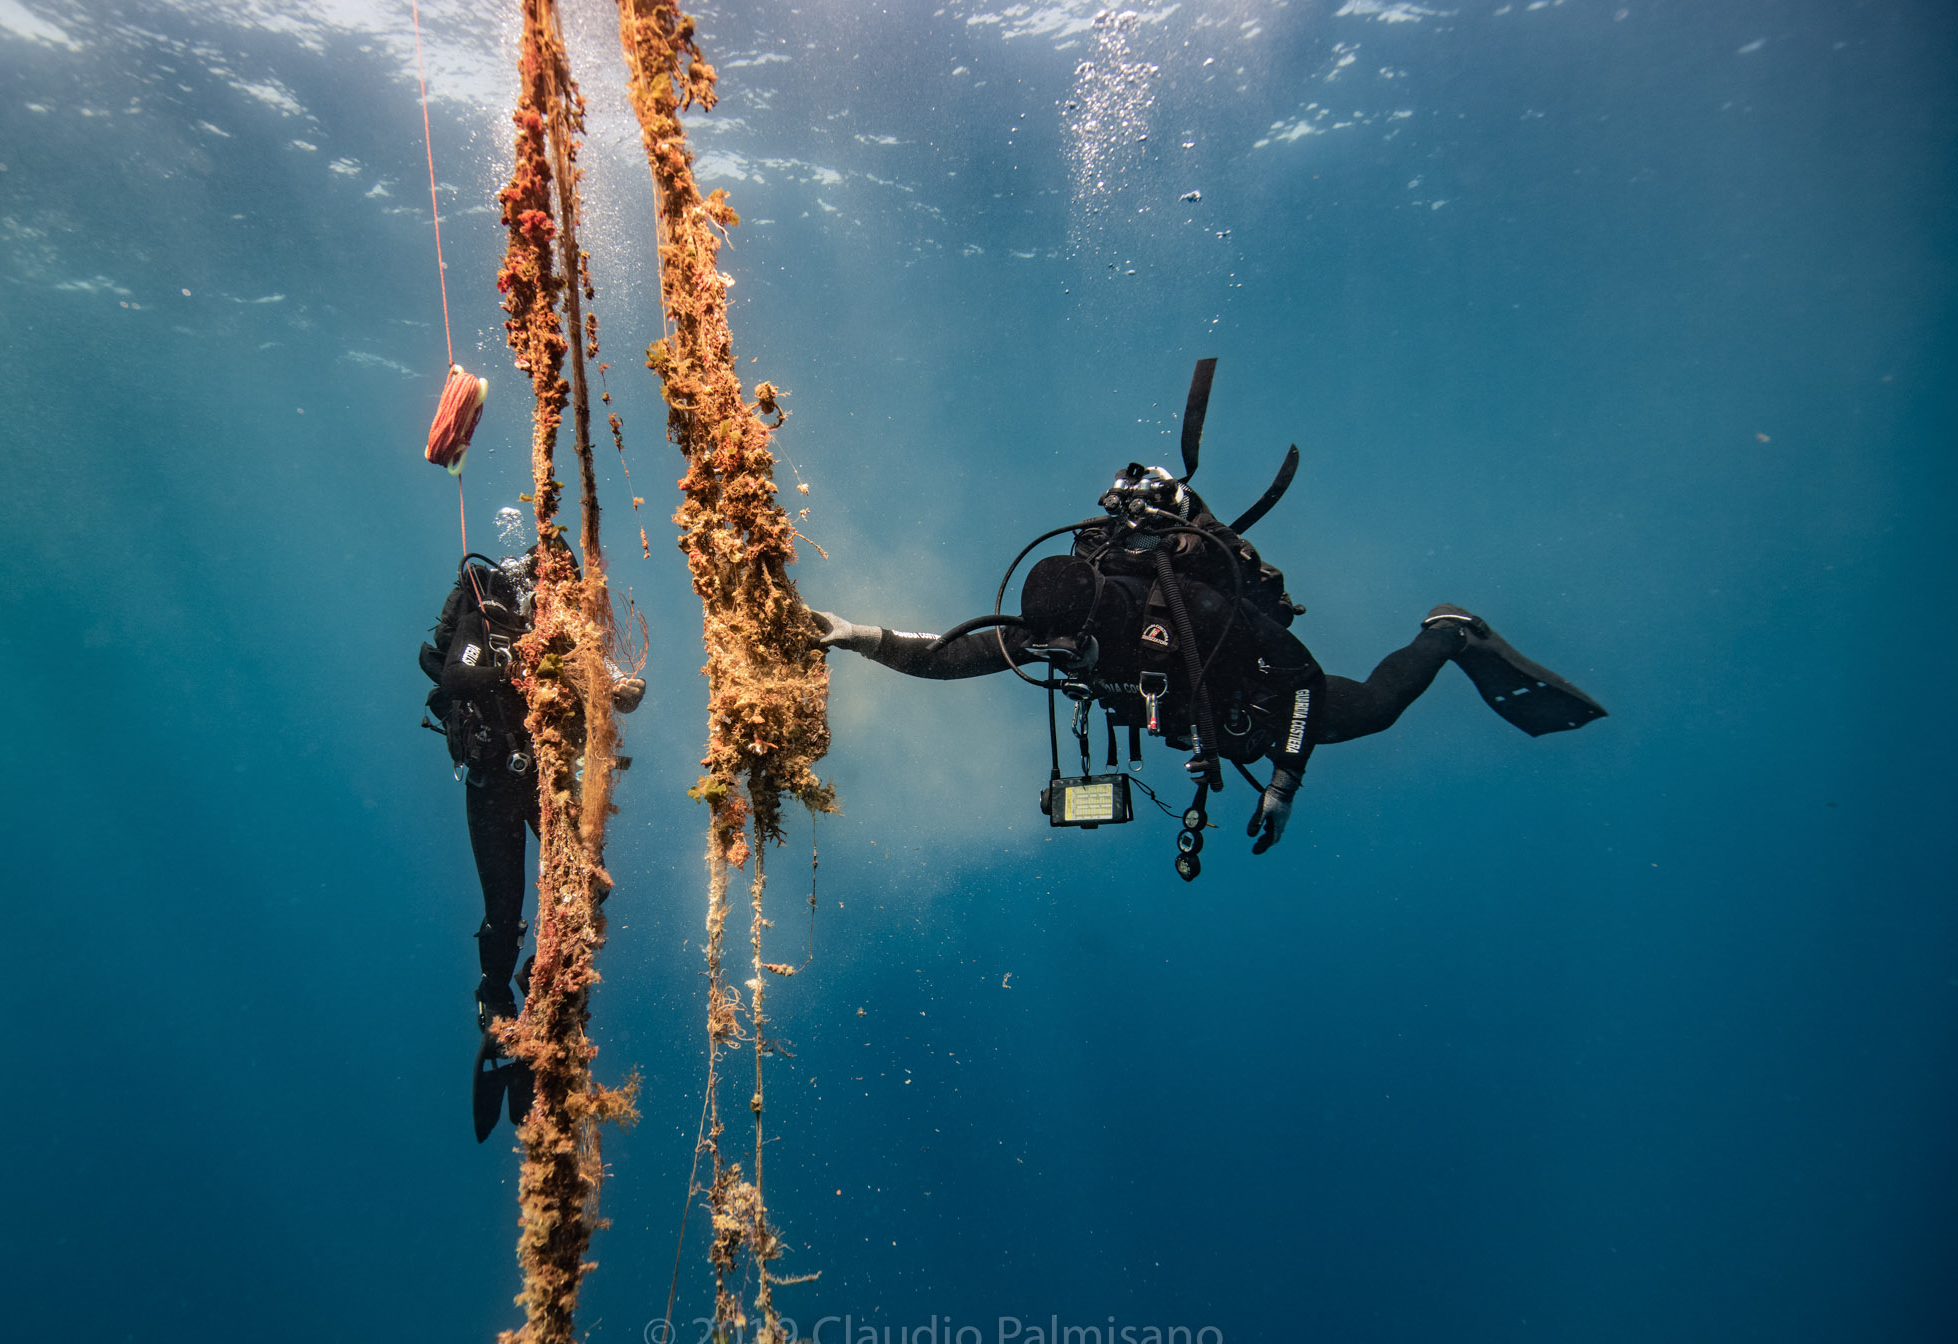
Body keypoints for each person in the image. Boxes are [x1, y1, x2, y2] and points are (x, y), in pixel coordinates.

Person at [809, 391, 1604, 877]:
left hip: (1261, 694)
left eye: (1066, 649)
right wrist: (854, 633)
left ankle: (1450, 631)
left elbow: (1302, 679)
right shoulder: (1053, 630)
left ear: (1099, 618)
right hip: (1200, 717)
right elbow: (951, 653)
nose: (1054, 661)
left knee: (1376, 707)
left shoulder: (1190, 614)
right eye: (1046, 648)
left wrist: (1284, 783)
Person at [419, 547, 645, 1141]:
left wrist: (618, 688)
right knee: (504, 909)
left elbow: (597, 681)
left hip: (543, 784)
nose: (553, 595)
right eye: (549, 582)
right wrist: (518, 669)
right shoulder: (486, 620)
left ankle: (540, 984)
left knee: (586, 885)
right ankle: (495, 998)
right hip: (493, 785)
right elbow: (456, 675)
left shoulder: (562, 636)